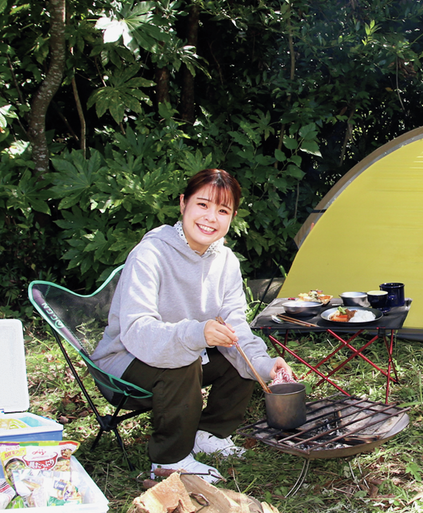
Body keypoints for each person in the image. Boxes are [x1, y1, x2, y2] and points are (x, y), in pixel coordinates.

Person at [92, 169, 290, 481]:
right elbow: (137, 330)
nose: (211, 218)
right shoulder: (151, 253)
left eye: (222, 210)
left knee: (235, 351)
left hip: (181, 358)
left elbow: (236, 325)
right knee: (184, 358)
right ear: (183, 204)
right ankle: (169, 461)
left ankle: (208, 432)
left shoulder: (226, 262)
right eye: (203, 205)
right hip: (124, 360)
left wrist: (266, 366)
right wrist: (196, 334)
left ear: (232, 217)